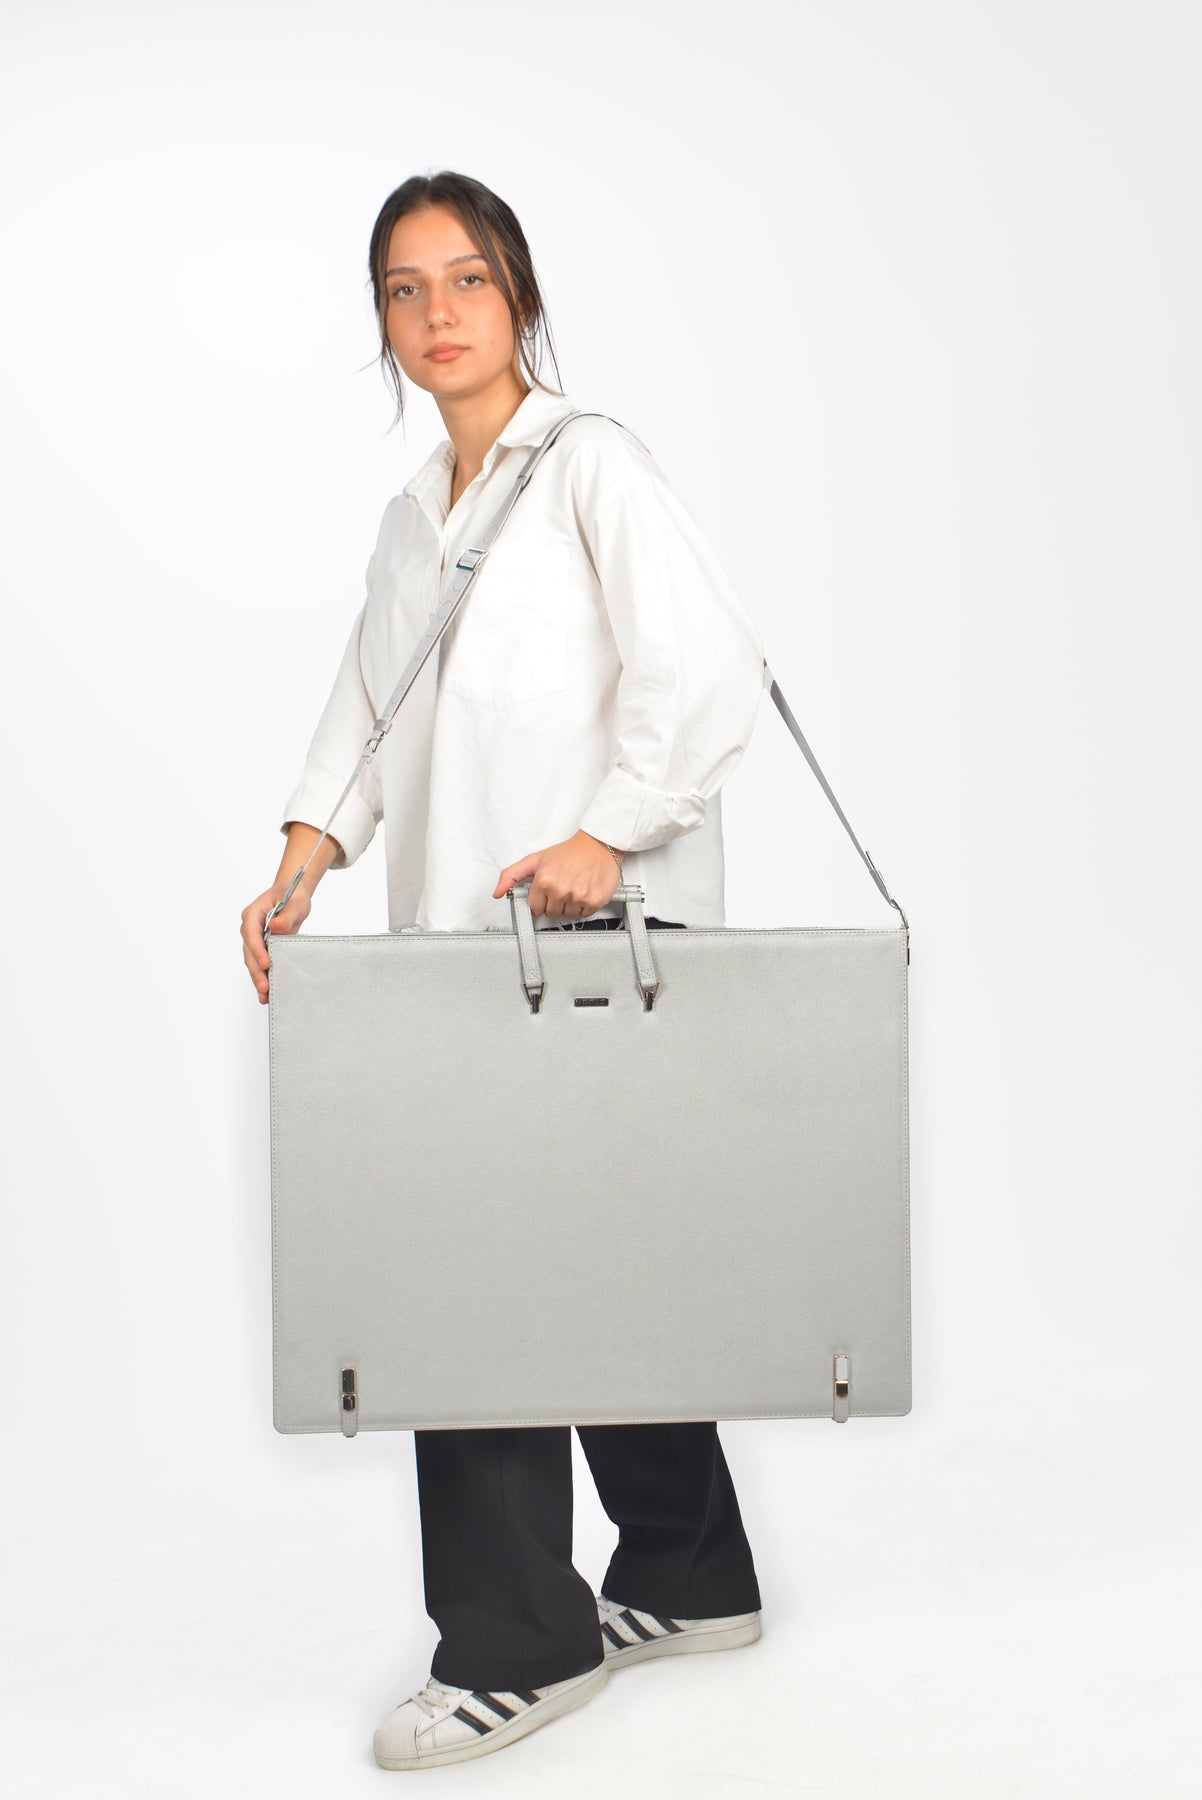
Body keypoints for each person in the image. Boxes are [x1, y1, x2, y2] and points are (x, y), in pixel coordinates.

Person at [240, 170, 767, 1773]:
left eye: (466, 278)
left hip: (593, 940)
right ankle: (688, 1574)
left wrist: (613, 831)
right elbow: (369, 698)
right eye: (404, 289)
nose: (437, 312)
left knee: (472, 1280)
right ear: (383, 323)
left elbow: (707, 665)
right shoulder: (418, 516)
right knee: (597, 1266)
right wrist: (307, 846)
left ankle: (516, 1643)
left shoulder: (591, 463)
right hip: (470, 950)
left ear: (519, 296)